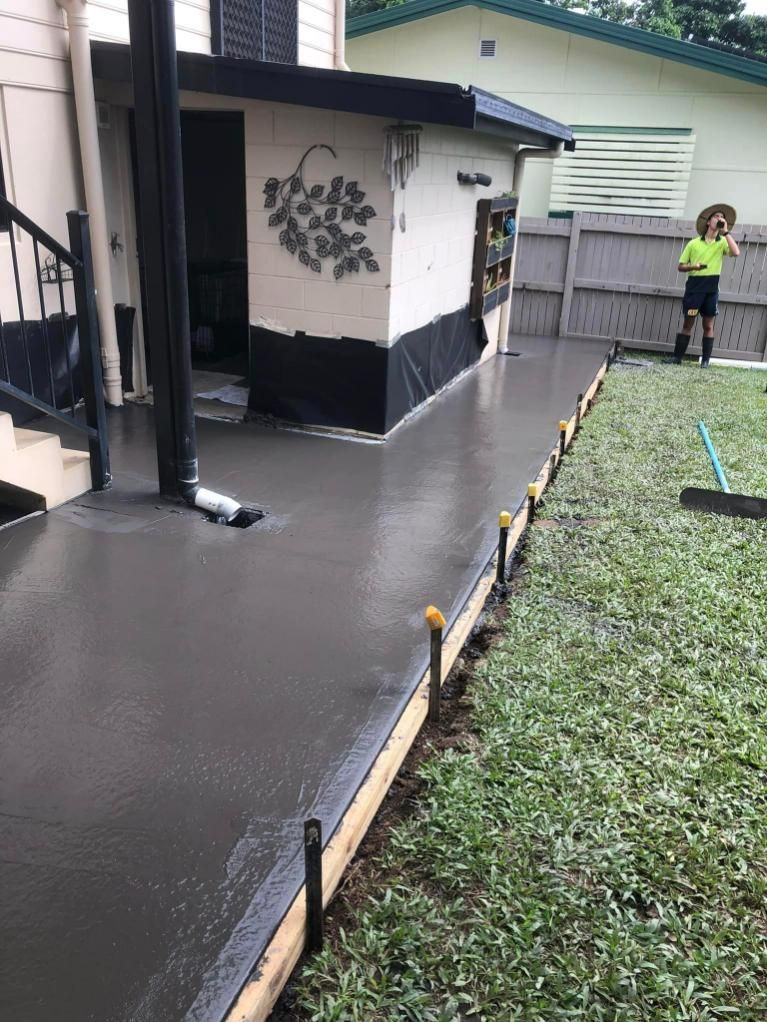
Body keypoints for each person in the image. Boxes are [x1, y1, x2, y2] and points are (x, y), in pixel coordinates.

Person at [666, 204, 740, 368]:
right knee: (688, 323)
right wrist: (694, 267)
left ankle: (705, 361)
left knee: (708, 325)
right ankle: (677, 358)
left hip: (711, 291)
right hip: (694, 289)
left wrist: (726, 232)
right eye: (716, 216)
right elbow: (680, 266)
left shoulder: (722, 243)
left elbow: (736, 253)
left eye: (722, 217)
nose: (720, 219)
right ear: (708, 222)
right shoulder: (693, 243)